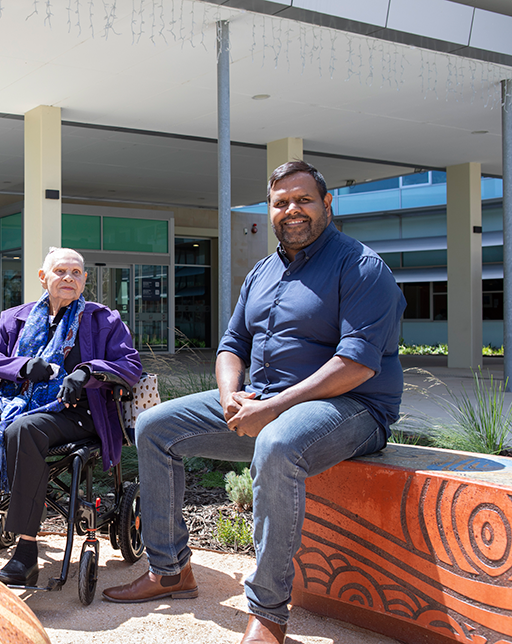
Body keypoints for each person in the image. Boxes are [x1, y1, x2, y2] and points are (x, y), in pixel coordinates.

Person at [102, 161, 405, 644]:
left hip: (352, 409)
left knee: (279, 444)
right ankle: (170, 570)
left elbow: (357, 364)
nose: (292, 210)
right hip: (264, 402)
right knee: (155, 425)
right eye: (281, 202)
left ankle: (268, 613)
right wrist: (229, 396)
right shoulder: (263, 272)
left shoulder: (361, 267)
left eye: (303, 200)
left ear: (327, 204)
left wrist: (273, 408)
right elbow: (231, 344)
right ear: (270, 211)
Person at [0, 247, 142, 586]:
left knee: (24, 430)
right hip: (15, 404)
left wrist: (86, 373)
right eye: (61, 271)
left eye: (76, 273)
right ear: (43, 277)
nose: (69, 278)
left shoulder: (102, 319)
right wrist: (20, 366)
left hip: (77, 414)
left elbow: (130, 365)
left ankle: (26, 551)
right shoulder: (15, 318)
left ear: (84, 280)